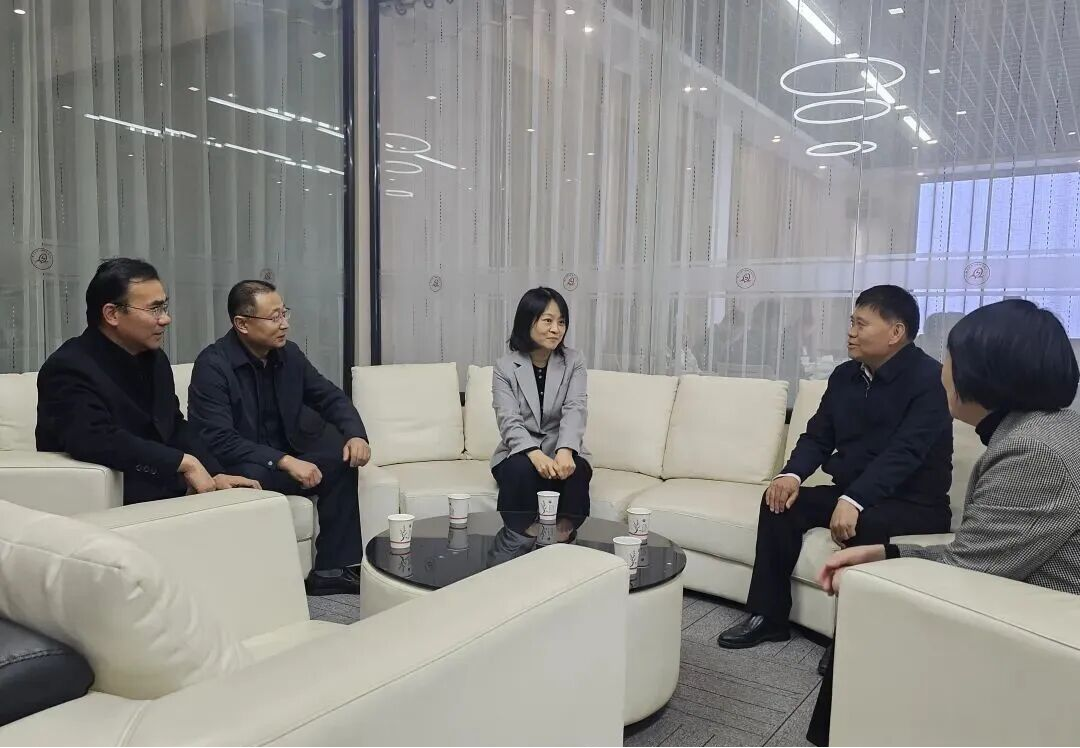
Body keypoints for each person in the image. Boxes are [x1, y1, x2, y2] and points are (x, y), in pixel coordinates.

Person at [806, 299, 1080, 746]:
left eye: (950, 357)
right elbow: (983, 553)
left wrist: (887, 562)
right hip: (1025, 603)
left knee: (871, 605)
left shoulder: (1033, 451)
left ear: (985, 371)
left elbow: (971, 572)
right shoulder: (1048, 428)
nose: (942, 371)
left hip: (1038, 631)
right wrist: (890, 552)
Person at [717, 285, 954, 653]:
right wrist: (790, 475)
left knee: (865, 523)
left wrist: (854, 499)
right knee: (778, 504)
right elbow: (818, 435)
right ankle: (768, 616)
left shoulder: (929, 381)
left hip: (914, 503)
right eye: (851, 322)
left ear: (896, 332)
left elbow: (904, 453)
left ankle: (849, 642)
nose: (851, 332)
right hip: (852, 493)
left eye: (862, 324)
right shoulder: (845, 376)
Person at [187, 280, 370, 595]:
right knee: (250, 478)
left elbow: (329, 397)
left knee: (340, 459)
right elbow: (219, 438)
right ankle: (261, 585)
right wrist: (284, 461)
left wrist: (356, 435)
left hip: (287, 454)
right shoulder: (213, 366)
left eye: (285, 313)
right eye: (274, 317)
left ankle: (331, 570)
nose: (284, 324)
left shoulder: (289, 354)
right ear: (242, 324)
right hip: (243, 463)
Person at [36, 258, 258, 502]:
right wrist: (181, 462)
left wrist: (215, 472)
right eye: (154, 309)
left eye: (164, 307)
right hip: (106, 496)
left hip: (165, 487)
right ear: (112, 314)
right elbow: (94, 439)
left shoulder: (155, 358)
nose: (166, 319)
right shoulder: (68, 367)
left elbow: (173, 425)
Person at [491, 287, 592, 517]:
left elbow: (576, 408)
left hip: (561, 450)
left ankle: (569, 538)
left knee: (576, 472)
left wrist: (565, 450)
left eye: (561, 322)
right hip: (519, 453)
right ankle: (515, 538)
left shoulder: (574, 361)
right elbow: (508, 420)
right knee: (521, 471)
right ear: (527, 322)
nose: (556, 329)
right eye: (548, 321)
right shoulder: (504, 367)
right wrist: (534, 454)